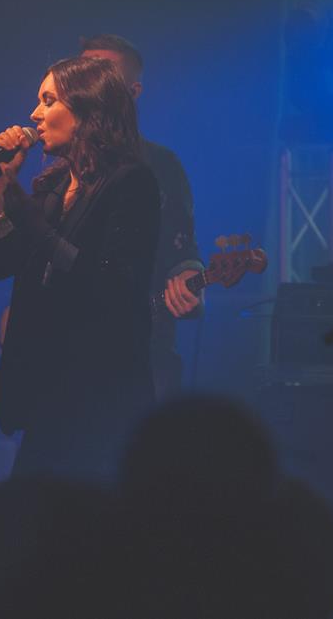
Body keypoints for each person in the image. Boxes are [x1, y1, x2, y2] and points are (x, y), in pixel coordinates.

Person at [0, 56, 160, 481]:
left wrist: (36, 226)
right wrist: (4, 185)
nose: (34, 114)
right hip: (48, 395)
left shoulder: (130, 183)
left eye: (48, 101)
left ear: (86, 109)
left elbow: (113, 286)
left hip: (99, 398)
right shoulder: (54, 188)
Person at [80, 34, 203, 399]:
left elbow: (181, 245)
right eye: (82, 72)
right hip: (72, 354)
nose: (89, 82)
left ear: (132, 92)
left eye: (102, 72)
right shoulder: (59, 161)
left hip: (145, 346)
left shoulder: (161, 164)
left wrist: (188, 274)